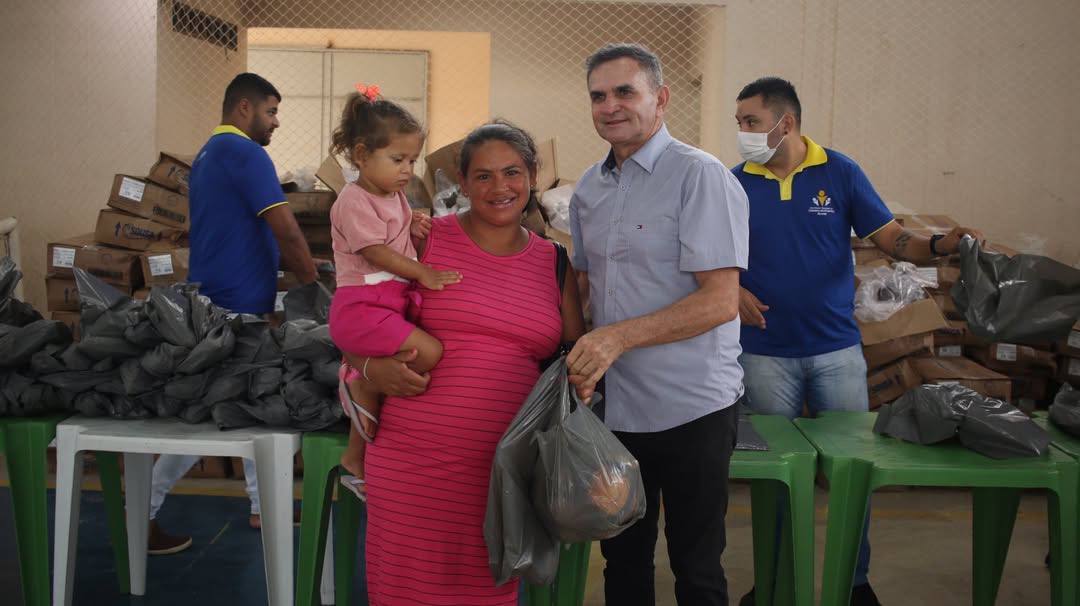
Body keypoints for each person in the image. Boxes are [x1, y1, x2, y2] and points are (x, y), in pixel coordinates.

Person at [732, 76, 983, 606]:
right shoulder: (735, 182)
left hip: (836, 351)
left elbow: (892, 238)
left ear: (786, 123)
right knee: (775, 477)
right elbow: (707, 253)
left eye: (751, 122)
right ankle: (773, 582)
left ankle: (855, 582)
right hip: (763, 352)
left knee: (851, 472)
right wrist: (731, 290)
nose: (742, 133)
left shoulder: (840, 172)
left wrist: (942, 243)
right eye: (740, 123)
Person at [356, 121, 586, 605]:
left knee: (485, 592)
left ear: (533, 176)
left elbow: (573, 358)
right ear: (461, 182)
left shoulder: (553, 262)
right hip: (412, 462)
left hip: (503, 474)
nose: (500, 187)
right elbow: (353, 323)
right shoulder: (423, 241)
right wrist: (372, 370)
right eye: (483, 176)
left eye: (512, 172)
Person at [566, 43, 749, 606]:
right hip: (617, 409)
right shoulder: (588, 188)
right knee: (622, 560)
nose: (610, 106)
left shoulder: (700, 176)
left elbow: (720, 301)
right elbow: (583, 285)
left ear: (661, 98)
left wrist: (616, 338)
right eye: (598, 96)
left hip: (692, 405)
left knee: (696, 564)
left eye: (625, 92)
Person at [147, 72, 318, 554]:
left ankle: (263, 506)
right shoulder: (245, 153)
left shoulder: (209, 153)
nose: (276, 122)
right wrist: (314, 287)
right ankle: (143, 511)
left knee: (249, 408)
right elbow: (286, 229)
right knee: (212, 419)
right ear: (244, 108)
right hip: (235, 308)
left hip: (221, 300)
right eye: (271, 111)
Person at [327, 83, 461, 500]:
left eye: (413, 160)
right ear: (362, 154)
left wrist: (412, 226)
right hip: (362, 307)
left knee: (411, 361)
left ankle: (358, 435)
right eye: (397, 159)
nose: (407, 169)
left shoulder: (395, 196)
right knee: (429, 352)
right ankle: (362, 377)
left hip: (386, 304)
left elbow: (393, 237)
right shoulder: (353, 200)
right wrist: (423, 272)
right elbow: (374, 251)